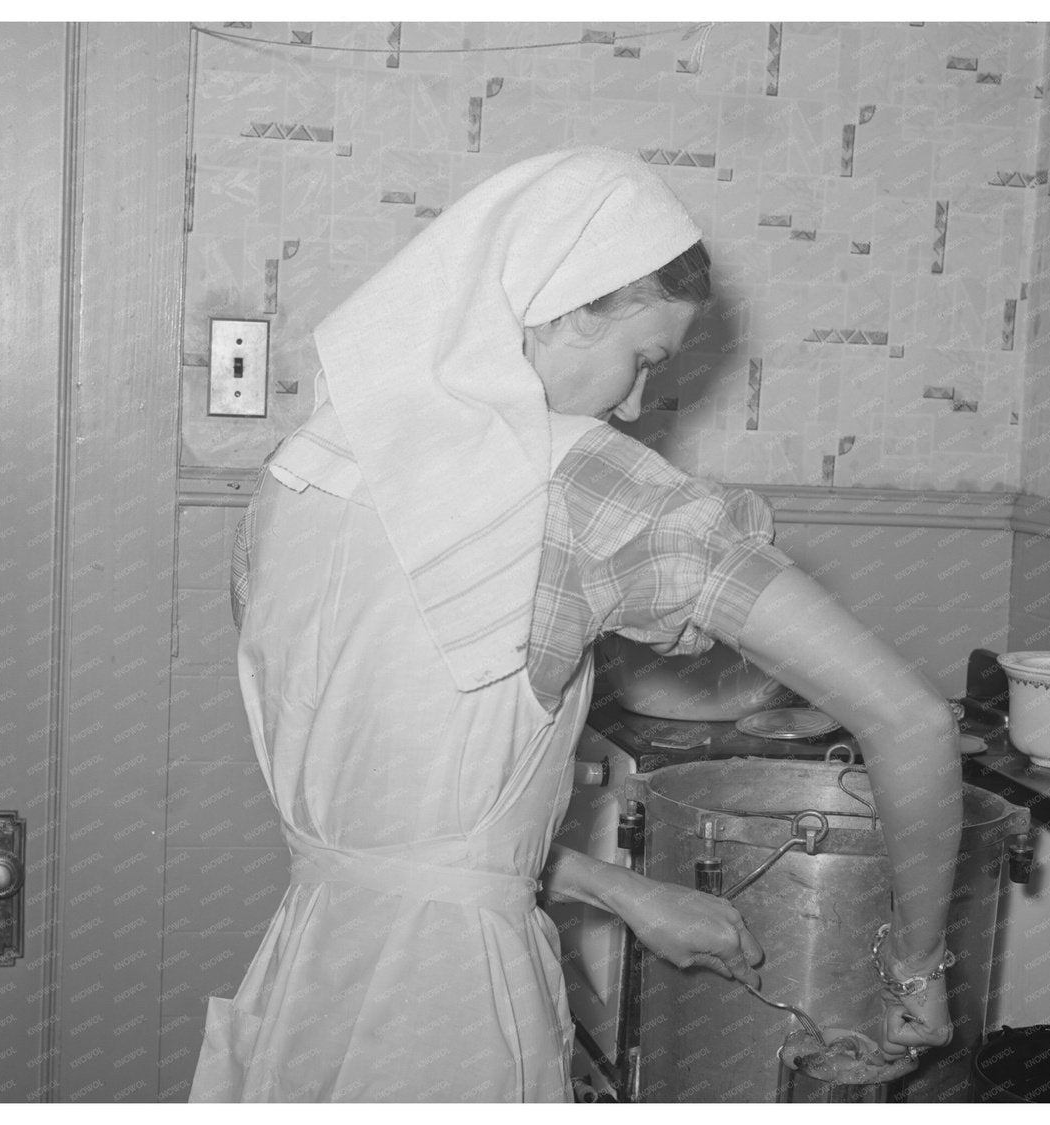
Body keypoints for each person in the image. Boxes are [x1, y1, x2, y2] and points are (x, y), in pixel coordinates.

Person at [188, 148, 962, 1102]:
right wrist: (916, 967)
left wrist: (624, 891)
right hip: (448, 1021)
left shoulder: (302, 471)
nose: (635, 407)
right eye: (642, 361)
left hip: (309, 982)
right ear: (563, 305)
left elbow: (411, 841)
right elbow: (912, 723)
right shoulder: (574, 482)